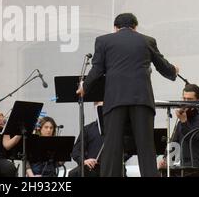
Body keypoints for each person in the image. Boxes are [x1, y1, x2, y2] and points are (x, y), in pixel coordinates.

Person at [77, 13, 179, 177]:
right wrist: (174, 71)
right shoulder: (147, 40)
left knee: (112, 147)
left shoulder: (104, 41)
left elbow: (97, 70)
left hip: (115, 100)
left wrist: (84, 87)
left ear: (115, 28)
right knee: (146, 147)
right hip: (142, 100)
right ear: (135, 27)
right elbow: (163, 66)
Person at [158, 84, 199, 173]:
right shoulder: (184, 117)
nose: (186, 102)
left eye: (190, 100)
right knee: (162, 172)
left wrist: (184, 121)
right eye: (184, 99)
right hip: (187, 163)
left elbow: (192, 138)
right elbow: (174, 141)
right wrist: (166, 160)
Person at [69, 102, 104, 177]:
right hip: (93, 168)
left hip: (113, 166)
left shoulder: (117, 129)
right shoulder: (87, 129)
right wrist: (84, 161)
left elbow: (128, 151)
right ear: (95, 108)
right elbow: (76, 151)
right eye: (100, 108)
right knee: (73, 174)